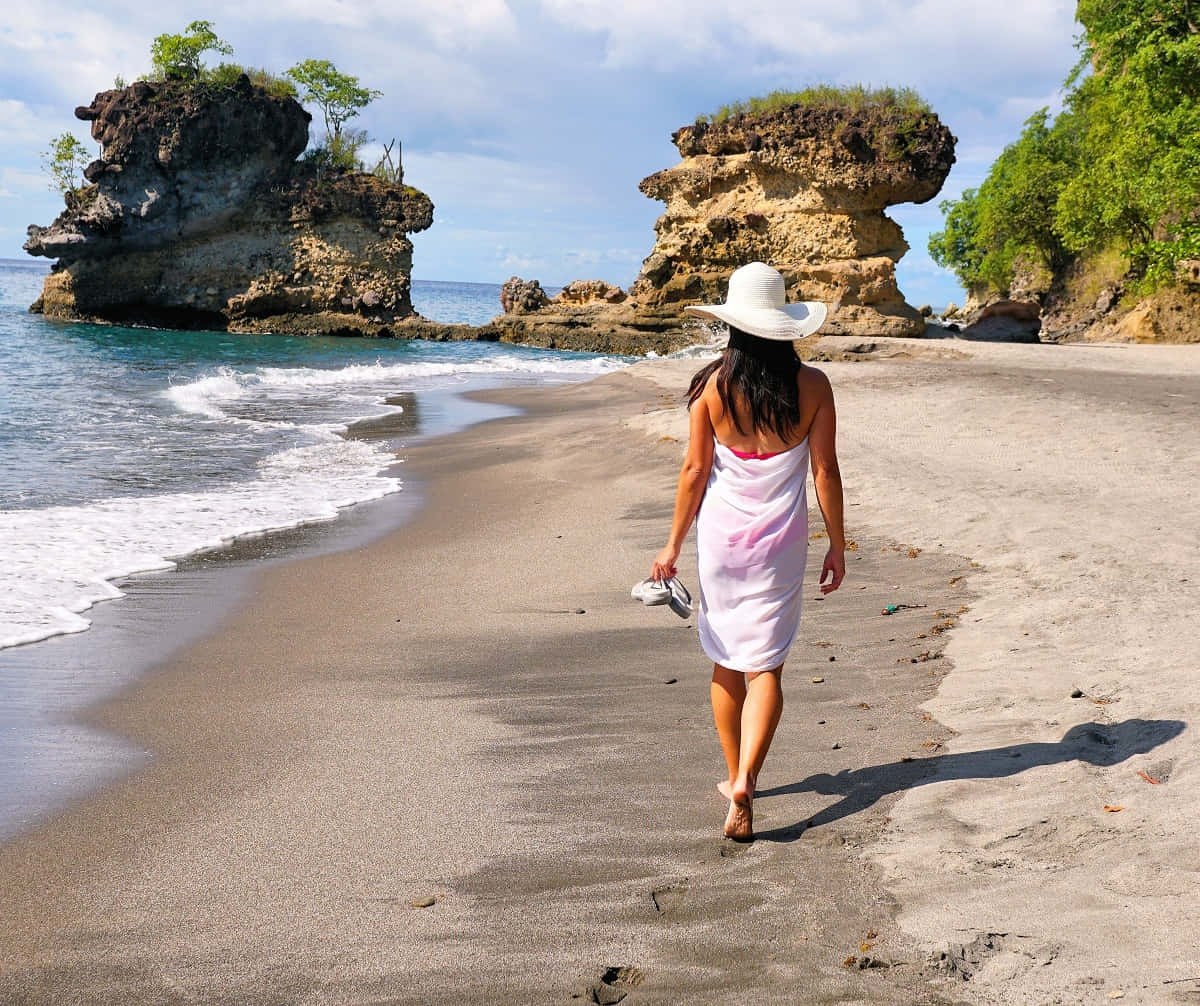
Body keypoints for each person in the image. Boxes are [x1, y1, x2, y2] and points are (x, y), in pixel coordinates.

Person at [650, 262, 846, 842]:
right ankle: (747, 781)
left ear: (733, 325)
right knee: (766, 665)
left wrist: (671, 545)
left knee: (725, 658)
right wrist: (837, 542)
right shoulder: (812, 386)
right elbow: (825, 471)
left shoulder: (712, 385)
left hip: (721, 541)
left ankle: (735, 773)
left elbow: (693, 470)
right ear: (784, 324)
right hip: (780, 544)